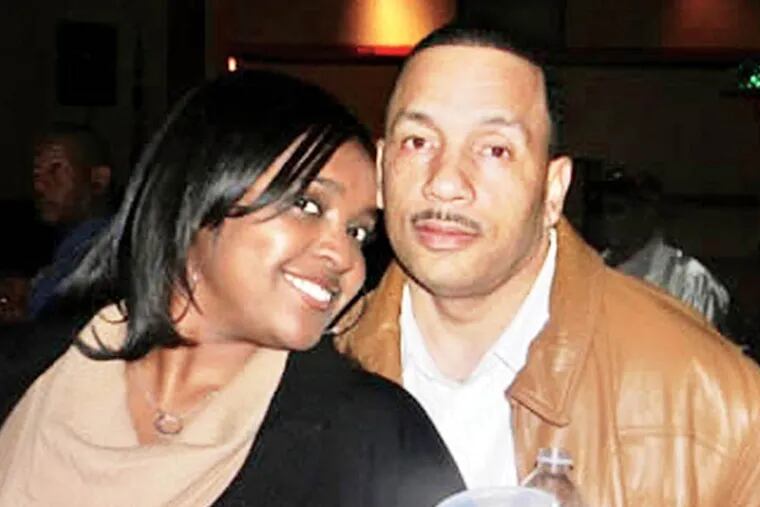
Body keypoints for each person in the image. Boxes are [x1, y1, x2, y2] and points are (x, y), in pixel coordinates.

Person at [335, 24, 760, 506]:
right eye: (418, 142)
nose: (446, 183)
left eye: (495, 150)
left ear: (554, 189)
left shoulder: (708, 401)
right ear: (381, 169)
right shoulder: (312, 359)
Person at [0, 70, 463, 506]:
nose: (346, 257)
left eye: (358, 232)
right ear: (197, 194)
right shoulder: (27, 368)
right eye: (307, 204)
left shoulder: (375, 441)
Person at [584, 169, 731, 329]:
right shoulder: (590, 272)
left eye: (617, 210)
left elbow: (699, 343)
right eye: (600, 210)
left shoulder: (690, 281)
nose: (607, 219)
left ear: (647, 212)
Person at [27, 123, 114, 318]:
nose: (39, 186)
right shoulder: (74, 247)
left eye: (56, 170)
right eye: (36, 174)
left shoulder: (106, 257)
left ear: (99, 178)